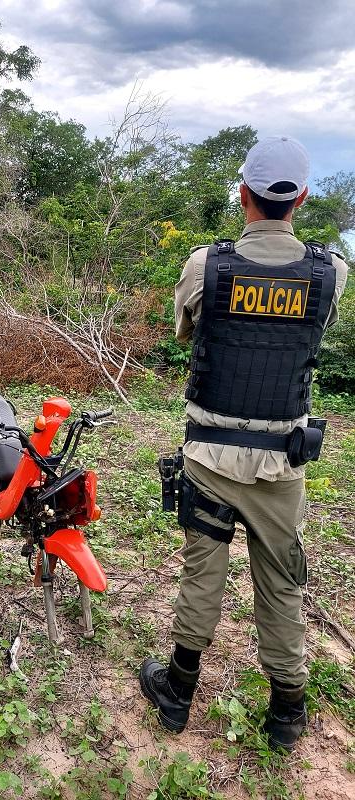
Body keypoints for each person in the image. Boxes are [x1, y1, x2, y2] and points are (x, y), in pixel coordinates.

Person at [139, 136, 348, 752]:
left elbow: (186, 332)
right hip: (284, 460)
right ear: (302, 199)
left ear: (243, 195)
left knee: (202, 571)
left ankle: (177, 692)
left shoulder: (208, 265)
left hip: (210, 453)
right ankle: (287, 711)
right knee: (282, 580)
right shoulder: (329, 271)